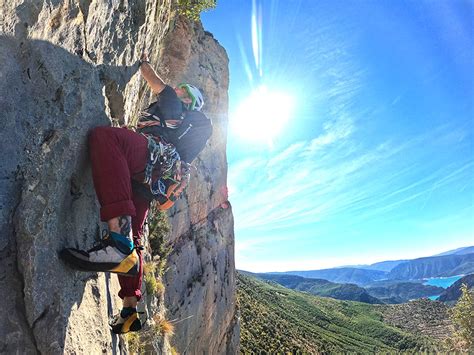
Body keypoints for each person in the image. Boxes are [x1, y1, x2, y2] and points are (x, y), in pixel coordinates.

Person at [60, 52, 206, 334]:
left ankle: (116, 243)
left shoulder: (176, 106)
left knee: (106, 137)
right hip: (150, 181)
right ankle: (129, 310)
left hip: (153, 157)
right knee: (134, 242)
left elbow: (157, 83)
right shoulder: (179, 125)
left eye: (185, 92)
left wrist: (143, 63)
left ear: (190, 102)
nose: (179, 90)